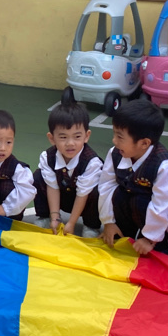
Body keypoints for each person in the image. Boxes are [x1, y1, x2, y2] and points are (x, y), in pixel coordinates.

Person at [98, 100, 168, 257]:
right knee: (119, 194)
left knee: (141, 201)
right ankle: (123, 232)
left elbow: (162, 206)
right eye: (114, 134)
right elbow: (106, 186)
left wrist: (150, 238)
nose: (114, 141)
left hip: (165, 217)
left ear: (144, 143)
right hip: (135, 206)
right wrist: (108, 222)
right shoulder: (115, 153)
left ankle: (160, 244)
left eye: (120, 137)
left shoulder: (166, 167)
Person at [33, 88, 101, 235]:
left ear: (86, 136)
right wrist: (55, 218)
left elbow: (82, 194)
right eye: (63, 137)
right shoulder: (47, 157)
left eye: (77, 137)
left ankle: (91, 225)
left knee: (97, 189)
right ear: (52, 138)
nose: (70, 143)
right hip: (63, 197)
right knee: (38, 177)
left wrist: (71, 223)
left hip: (83, 201)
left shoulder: (92, 162)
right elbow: (52, 187)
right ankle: (45, 216)